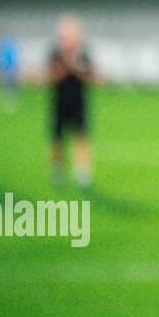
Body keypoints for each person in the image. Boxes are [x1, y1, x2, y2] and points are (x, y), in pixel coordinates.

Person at [49, 16, 95, 190]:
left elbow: (91, 77)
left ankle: (82, 173)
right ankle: (58, 172)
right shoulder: (55, 54)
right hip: (59, 103)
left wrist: (76, 68)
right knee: (57, 139)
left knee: (81, 137)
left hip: (79, 103)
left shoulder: (83, 54)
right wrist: (66, 66)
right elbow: (51, 77)